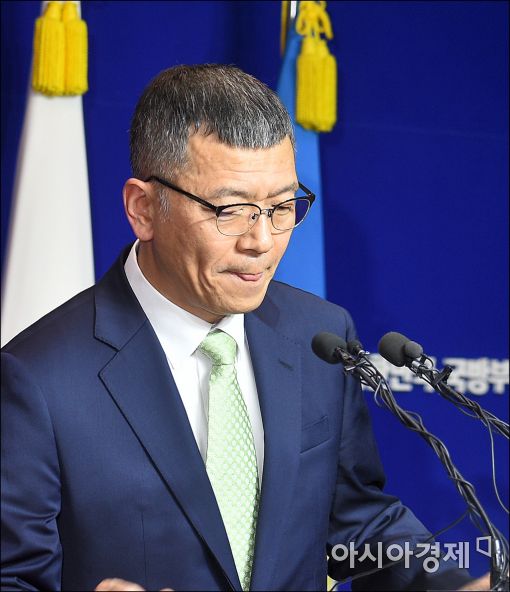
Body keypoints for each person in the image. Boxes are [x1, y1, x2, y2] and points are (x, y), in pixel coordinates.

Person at [1, 64, 487, 592]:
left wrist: (451, 588)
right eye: (231, 210)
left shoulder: (319, 335)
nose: (262, 241)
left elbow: (358, 525)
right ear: (143, 209)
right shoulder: (37, 380)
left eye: (282, 207)